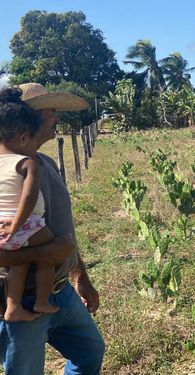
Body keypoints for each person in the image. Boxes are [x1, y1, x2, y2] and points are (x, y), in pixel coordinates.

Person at [0, 83, 105, 374]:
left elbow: (63, 227)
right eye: (50, 110)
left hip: (60, 291)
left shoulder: (45, 163)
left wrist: (79, 274)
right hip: (22, 299)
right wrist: (53, 250)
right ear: (28, 118)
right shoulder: (6, 173)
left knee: (89, 353)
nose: (56, 117)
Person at [0, 87, 57, 322]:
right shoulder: (26, 163)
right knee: (48, 255)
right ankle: (42, 301)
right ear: (24, 138)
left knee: (19, 265)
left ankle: (13, 307)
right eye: (34, 139)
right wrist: (17, 225)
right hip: (23, 225)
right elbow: (28, 198)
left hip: (1, 226)